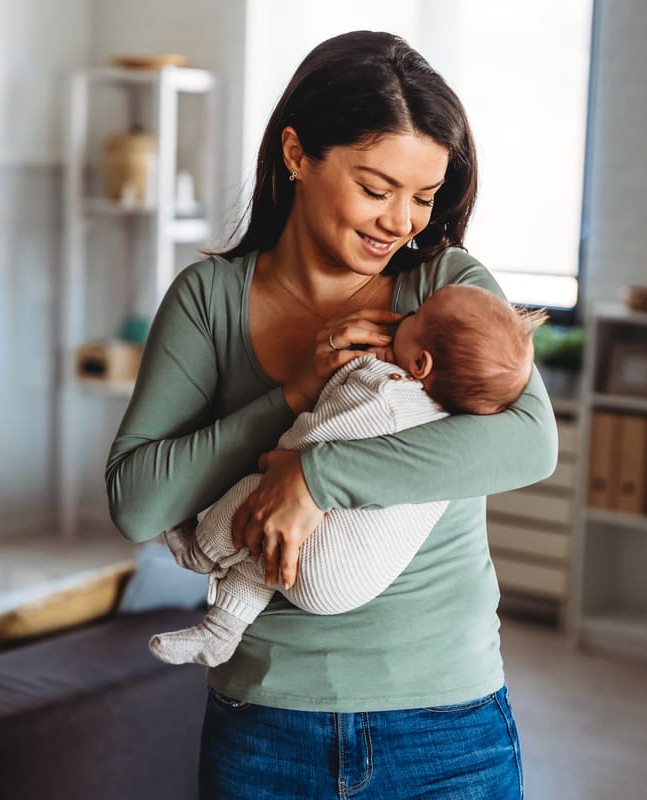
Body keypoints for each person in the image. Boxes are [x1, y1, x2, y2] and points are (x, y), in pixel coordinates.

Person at [105, 30, 557, 799]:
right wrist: (293, 398)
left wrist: (318, 474)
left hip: (447, 725)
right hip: (267, 727)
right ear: (295, 153)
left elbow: (530, 444)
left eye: (424, 196)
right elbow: (137, 503)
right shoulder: (209, 300)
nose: (402, 222)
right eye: (378, 188)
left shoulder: (445, 289)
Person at [148, 285, 548, 668]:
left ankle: (200, 552)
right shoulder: (450, 432)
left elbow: (310, 440)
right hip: (353, 582)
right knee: (264, 556)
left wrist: (357, 367)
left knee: (260, 495)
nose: (407, 314)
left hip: (322, 559)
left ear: (420, 364)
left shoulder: (384, 393)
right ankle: (220, 633)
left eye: (417, 315)